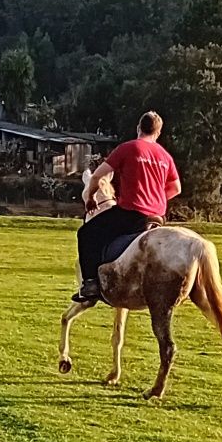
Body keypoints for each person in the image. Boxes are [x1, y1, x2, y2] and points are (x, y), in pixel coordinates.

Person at [72, 111, 181, 302]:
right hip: (157, 216)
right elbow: (176, 188)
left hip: (130, 214)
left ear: (138, 128)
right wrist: (158, 198)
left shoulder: (128, 148)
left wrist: (90, 198)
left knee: (86, 233)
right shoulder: (165, 156)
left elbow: (97, 176)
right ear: (158, 132)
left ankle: (90, 283)